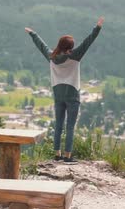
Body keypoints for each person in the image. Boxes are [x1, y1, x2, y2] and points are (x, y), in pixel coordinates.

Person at [25, 17, 104, 164]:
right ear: (70, 47)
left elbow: (41, 46)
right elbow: (88, 41)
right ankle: (68, 156)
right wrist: (97, 28)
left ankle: (57, 154)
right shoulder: (75, 55)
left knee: (58, 125)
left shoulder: (51, 56)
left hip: (58, 95)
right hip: (72, 95)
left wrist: (33, 34)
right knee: (70, 127)